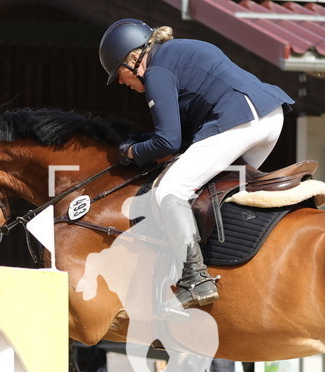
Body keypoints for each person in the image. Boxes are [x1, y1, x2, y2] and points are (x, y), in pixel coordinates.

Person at [99, 19, 293, 309]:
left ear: (133, 58)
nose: (123, 84)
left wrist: (131, 153)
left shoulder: (157, 70)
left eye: (120, 75)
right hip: (269, 116)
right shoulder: (177, 52)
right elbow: (184, 135)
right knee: (213, 191)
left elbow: (168, 142)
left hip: (242, 120)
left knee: (170, 190)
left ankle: (195, 278)